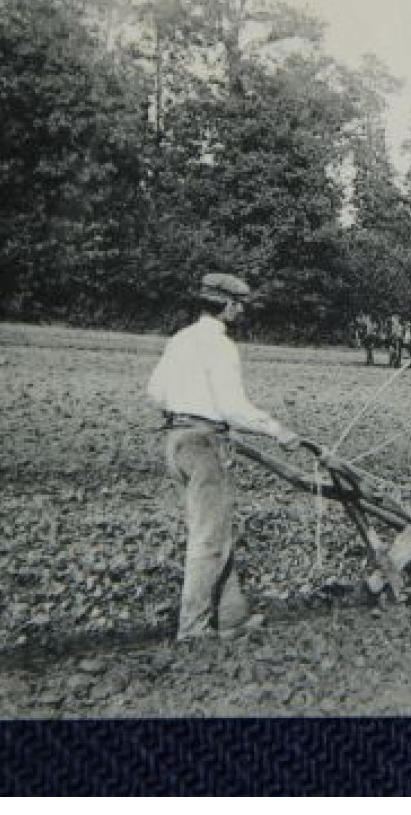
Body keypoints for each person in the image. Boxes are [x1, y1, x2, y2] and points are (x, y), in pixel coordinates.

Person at [146, 272, 300, 642]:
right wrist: (277, 431)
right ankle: (194, 627)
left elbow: (155, 392)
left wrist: (187, 409)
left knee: (216, 529)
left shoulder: (180, 339)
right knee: (208, 538)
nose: (243, 311)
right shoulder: (221, 346)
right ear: (228, 305)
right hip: (204, 445)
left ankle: (230, 617)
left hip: (177, 440)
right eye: (241, 305)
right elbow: (233, 407)